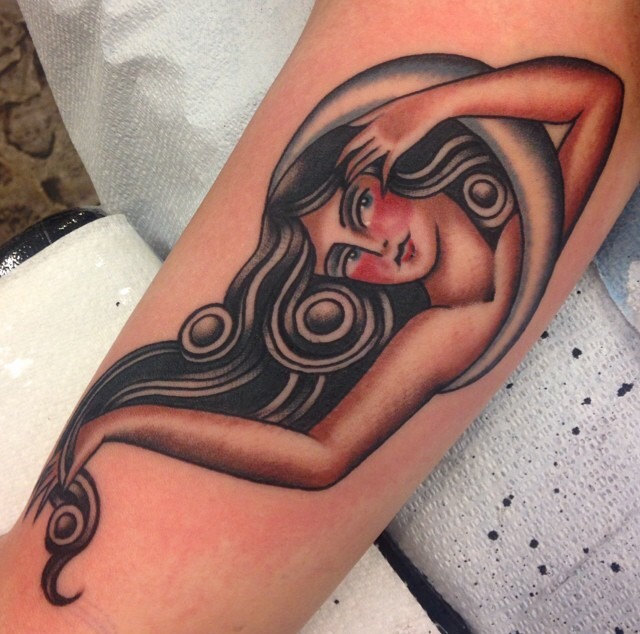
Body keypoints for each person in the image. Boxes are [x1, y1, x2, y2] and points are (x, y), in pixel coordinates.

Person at [26, 54, 622, 606]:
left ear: (383, 169)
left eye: (360, 209)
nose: (374, 250)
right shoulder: (445, 326)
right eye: (345, 260)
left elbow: (597, 95)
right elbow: (322, 456)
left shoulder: (515, 237)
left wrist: (430, 105)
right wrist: (121, 422)